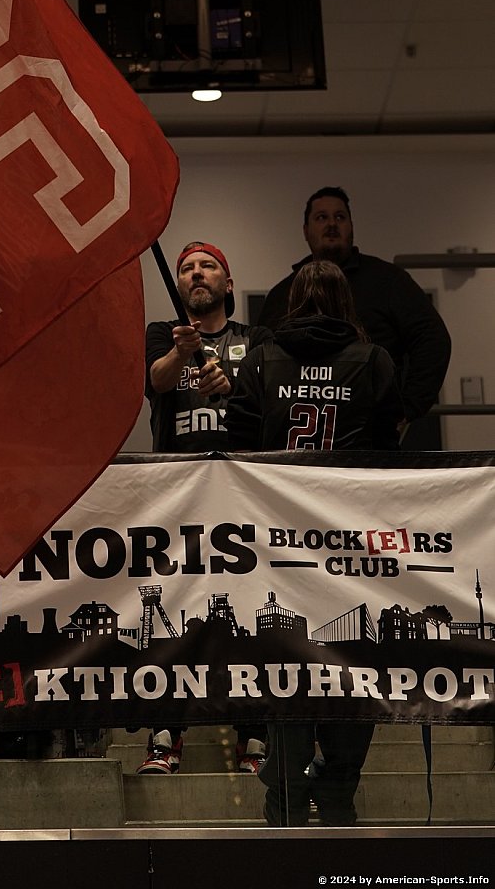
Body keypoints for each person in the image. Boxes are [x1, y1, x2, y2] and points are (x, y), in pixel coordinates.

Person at [225, 260, 401, 827]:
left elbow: (234, 453)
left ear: (291, 303)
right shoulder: (372, 361)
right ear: (347, 303)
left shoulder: (261, 360)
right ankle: (339, 792)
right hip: (353, 547)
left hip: (278, 548)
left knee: (287, 672)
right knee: (355, 668)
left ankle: (285, 806)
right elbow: (390, 458)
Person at [141, 241, 272, 777]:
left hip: (244, 497)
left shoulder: (257, 339)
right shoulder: (161, 333)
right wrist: (181, 354)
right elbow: (156, 381)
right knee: (174, 614)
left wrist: (232, 387)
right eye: (187, 268)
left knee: (251, 617)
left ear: (228, 283)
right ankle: (165, 736)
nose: (197, 274)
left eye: (208, 266)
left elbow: (269, 401)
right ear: (178, 285)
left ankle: (253, 738)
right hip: (179, 495)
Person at [258, 186, 450, 430]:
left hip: (371, 427)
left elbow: (433, 340)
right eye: (321, 217)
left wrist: (408, 407)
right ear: (306, 231)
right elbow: (263, 357)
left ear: (351, 227)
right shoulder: (283, 293)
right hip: (298, 426)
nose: (332, 224)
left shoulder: (388, 281)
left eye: (340, 217)